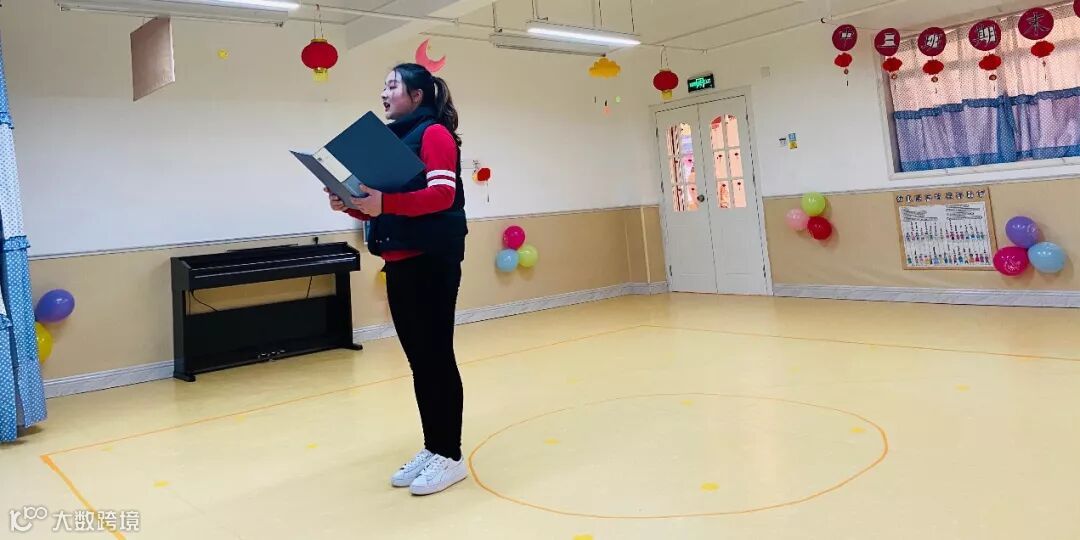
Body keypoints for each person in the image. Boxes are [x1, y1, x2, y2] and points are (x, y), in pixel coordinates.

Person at [327, 63, 468, 496]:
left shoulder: (435, 135)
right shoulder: (393, 142)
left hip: (433, 261)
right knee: (419, 361)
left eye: (392, 86)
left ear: (417, 95)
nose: (384, 93)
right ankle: (433, 446)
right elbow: (383, 204)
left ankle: (451, 456)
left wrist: (384, 202)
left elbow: (441, 194)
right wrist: (350, 203)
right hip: (400, 261)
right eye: (384, 86)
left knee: (436, 358)